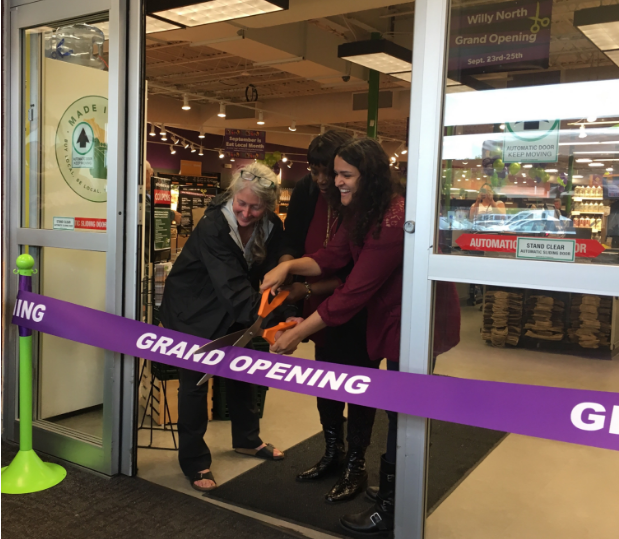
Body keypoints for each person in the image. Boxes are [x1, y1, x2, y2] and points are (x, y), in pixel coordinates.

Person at [261, 138, 460, 534]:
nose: (336, 182)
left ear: (369, 176)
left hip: (413, 323)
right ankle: (390, 492)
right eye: (334, 173)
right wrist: (287, 268)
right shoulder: (363, 208)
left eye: (345, 174)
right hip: (391, 317)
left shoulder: (392, 218)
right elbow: (331, 256)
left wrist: (297, 332)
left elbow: (354, 292)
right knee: (396, 409)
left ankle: (391, 509)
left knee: (403, 413)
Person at [159, 163, 286, 493]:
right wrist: (270, 326)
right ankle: (195, 460)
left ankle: (247, 440)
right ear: (233, 196)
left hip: (234, 305)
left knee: (243, 370)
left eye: (255, 206)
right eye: (241, 203)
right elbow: (230, 282)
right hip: (193, 307)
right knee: (195, 382)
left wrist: (287, 314)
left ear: (268, 206)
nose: (246, 212)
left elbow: (275, 275)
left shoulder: (271, 225)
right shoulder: (214, 224)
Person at [279, 130, 380, 504]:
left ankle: (357, 462)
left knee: (358, 385)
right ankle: (333, 452)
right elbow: (304, 243)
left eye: (334, 172)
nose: (326, 180)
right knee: (326, 382)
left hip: (357, 310)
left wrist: (305, 290)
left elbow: (353, 275)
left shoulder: (366, 206)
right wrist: (285, 270)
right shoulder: (309, 190)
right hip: (318, 305)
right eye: (317, 171)